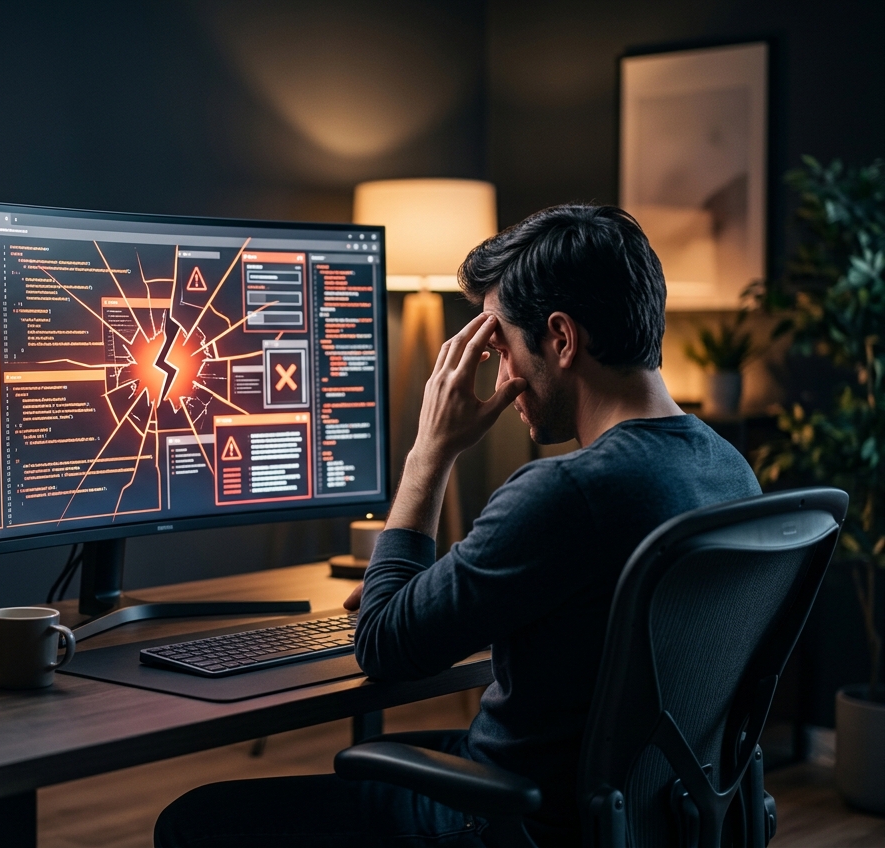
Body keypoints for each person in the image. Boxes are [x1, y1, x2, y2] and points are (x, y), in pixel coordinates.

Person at [154, 204, 761, 848]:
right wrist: (424, 595)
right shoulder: (729, 472)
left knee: (195, 822)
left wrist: (429, 451)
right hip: (650, 812)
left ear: (561, 339)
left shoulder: (567, 492)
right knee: (374, 760)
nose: (500, 379)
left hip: (517, 820)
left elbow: (382, 644)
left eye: (501, 349)